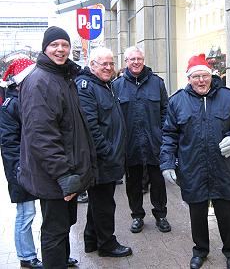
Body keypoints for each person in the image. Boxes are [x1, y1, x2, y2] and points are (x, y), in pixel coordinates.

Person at [18, 26, 97, 269]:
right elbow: (41, 136)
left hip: (64, 173)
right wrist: (64, 175)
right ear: (45, 48)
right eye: (55, 45)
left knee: (61, 229)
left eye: (64, 45)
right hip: (56, 176)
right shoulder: (41, 81)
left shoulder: (60, 77)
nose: (61, 49)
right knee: (54, 232)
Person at [160, 53, 230, 269]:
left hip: (221, 167)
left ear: (211, 76)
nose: (201, 80)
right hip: (193, 168)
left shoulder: (228, 97)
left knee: (225, 213)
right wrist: (167, 163)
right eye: (196, 76)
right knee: (197, 213)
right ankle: (200, 250)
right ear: (189, 78)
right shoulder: (177, 101)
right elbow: (169, 135)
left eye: (204, 76)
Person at [75, 47, 132, 257]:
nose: (109, 67)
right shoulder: (87, 87)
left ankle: (91, 240)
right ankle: (107, 244)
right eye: (104, 64)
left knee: (98, 201)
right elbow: (91, 127)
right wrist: (108, 152)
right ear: (92, 66)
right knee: (105, 204)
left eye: (111, 63)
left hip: (108, 157)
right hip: (101, 159)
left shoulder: (105, 85)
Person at [113, 46, 171, 234]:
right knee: (133, 184)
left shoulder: (157, 83)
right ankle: (137, 216)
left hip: (155, 144)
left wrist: (162, 135)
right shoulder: (116, 86)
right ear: (126, 62)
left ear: (143, 60)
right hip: (131, 146)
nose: (136, 62)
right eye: (132, 59)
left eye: (139, 58)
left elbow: (165, 111)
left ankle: (161, 215)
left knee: (158, 183)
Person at [0, 59, 43, 269]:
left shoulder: (29, 99)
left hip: (37, 167)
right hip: (22, 169)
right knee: (26, 213)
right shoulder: (12, 105)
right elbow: (9, 144)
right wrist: (19, 170)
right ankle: (26, 256)